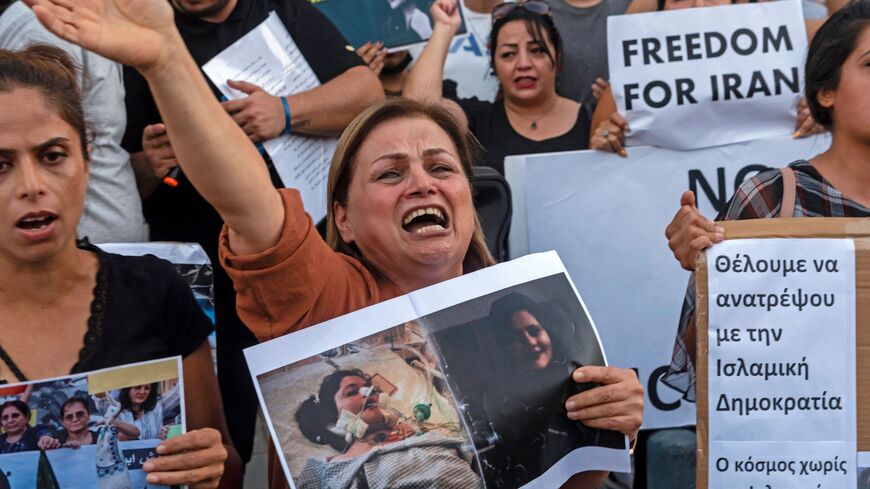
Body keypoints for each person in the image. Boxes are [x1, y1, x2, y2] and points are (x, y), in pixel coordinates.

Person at [22, 3, 644, 489]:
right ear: (342, 219)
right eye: (390, 173)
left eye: (440, 166)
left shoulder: (524, 310)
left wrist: (611, 425)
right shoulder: (325, 296)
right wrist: (164, 59)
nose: (421, 182)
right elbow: (244, 197)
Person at [121, 0, 383, 465]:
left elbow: (367, 93)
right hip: (204, 276)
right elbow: (117, 178)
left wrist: (284, 111)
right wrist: (148, 163)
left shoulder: (281, 10)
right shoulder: (141, 33)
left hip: (304, 255)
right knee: (225, 427)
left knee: (331, 409)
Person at [0, 45, 240, 487]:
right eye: (0, 164)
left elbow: (225, 464)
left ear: (87, 159)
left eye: (52, 156)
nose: (31, 187)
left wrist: (209, 466)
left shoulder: (155, 291)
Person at [661, 0, 870, 400]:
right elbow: (707, 366)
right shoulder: (773, 199)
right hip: (807, 458)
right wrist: (709, 271)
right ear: (826, 91)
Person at [589, 0, 827, 157]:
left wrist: (819, 121)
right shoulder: (625, 89)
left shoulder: (789, 64)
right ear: (660, 9)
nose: (698, 4)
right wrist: (607, 144)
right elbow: (595, 174)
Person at [0, 1, 146, 244]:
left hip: (105, 251)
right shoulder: (47, 26)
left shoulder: (86, 18)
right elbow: (29, 142)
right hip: (65, 247)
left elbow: (100, 141)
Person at [405, 0, 592, 174]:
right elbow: (419, 109)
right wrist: (444, 29)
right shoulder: (478, 121)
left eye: (536, 51)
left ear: (558, 57)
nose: (523, 64)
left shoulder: (591, 119)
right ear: (494, 64)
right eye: (508, 54)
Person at [471, 293, 627, 486]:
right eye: (515, 338)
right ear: (506, 349)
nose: (530, 342)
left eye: (534, 331)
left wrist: (627, 436)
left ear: (548, 332)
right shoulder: (495, 398)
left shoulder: (583, 382)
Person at [294, 368, 481, 488]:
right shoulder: (322, 469)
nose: (370, 394)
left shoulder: (423, 435)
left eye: (371, 390)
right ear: (333, 417)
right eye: (351, 392)